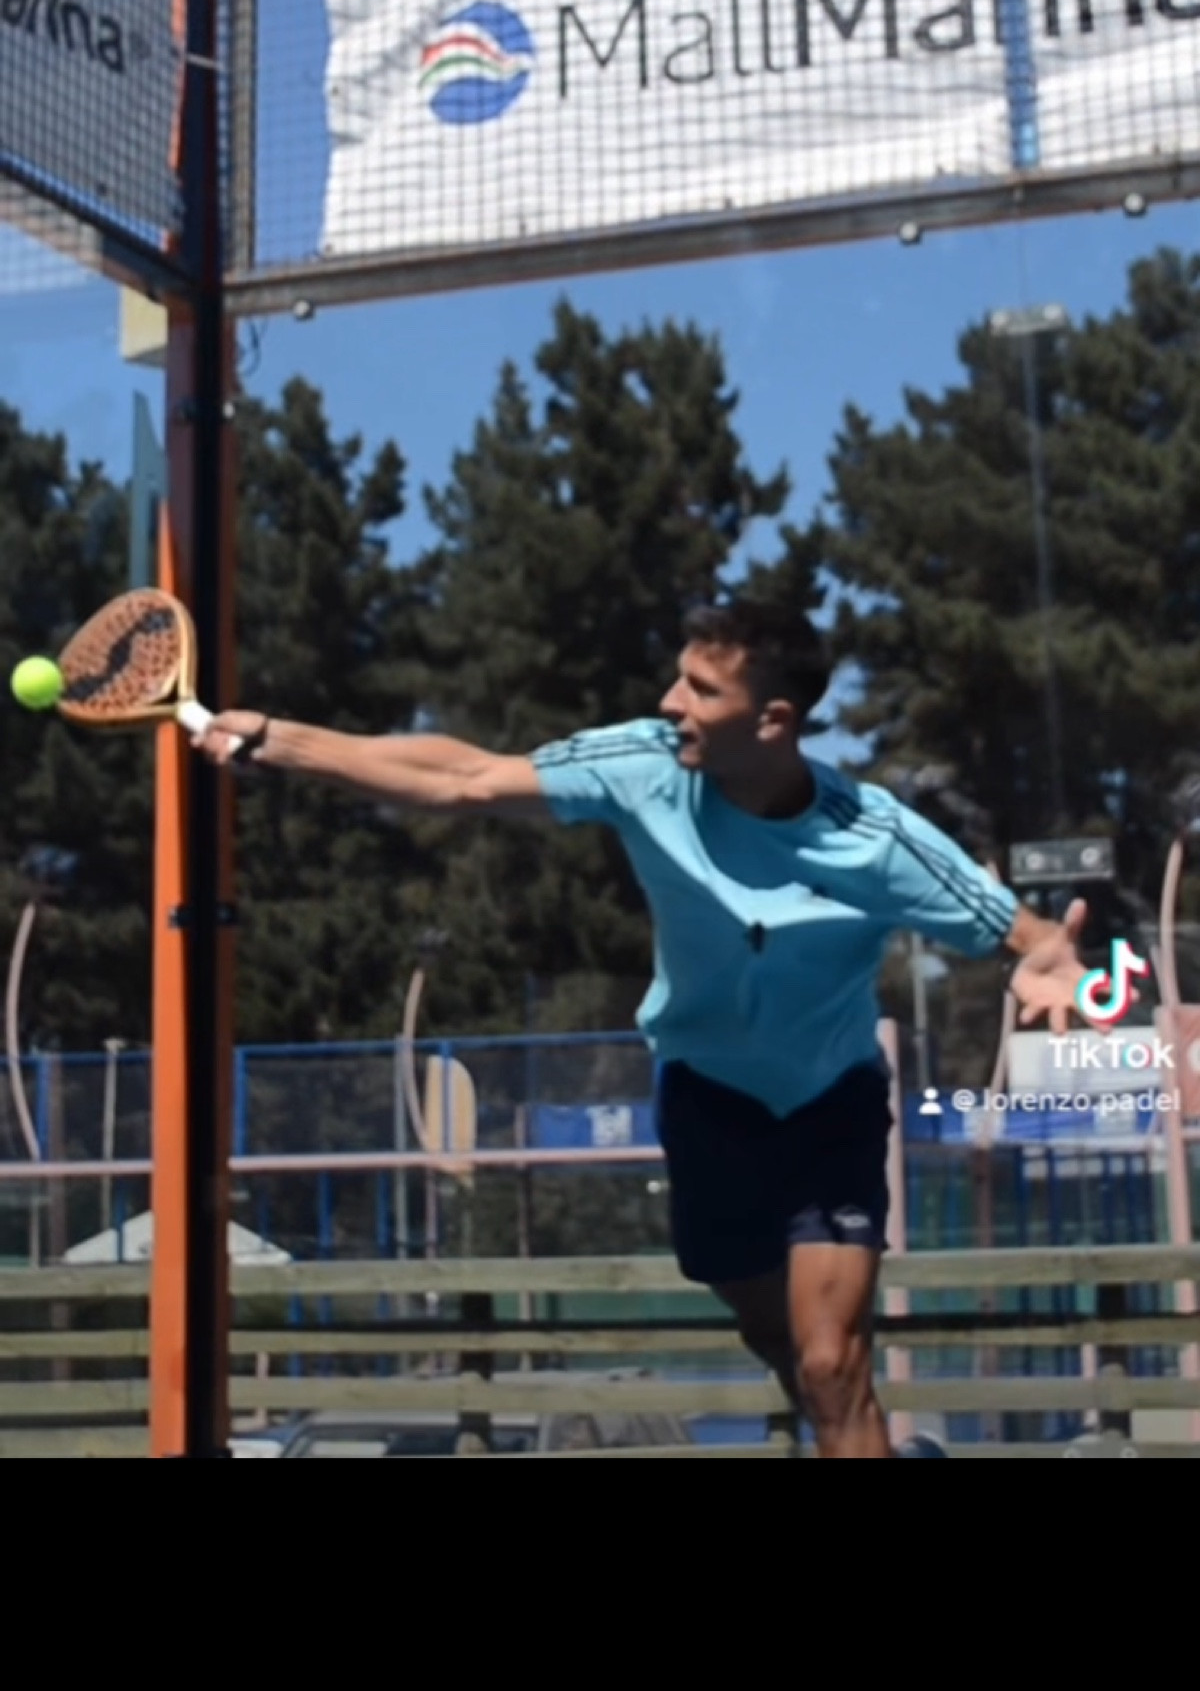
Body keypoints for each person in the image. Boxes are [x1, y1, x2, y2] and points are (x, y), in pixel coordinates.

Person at [199, 598, 1085, 1460]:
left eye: (702, 689)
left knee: (831, 1363)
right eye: (678, 679)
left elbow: (1027, 934)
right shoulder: (644, 765)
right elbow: (464, 777)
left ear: (773, 720)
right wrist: (283, 741)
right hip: (705, 1098)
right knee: (782, 1343)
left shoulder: (877, 838)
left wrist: (1050, 956)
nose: (671, 702)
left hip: (830, 1107)